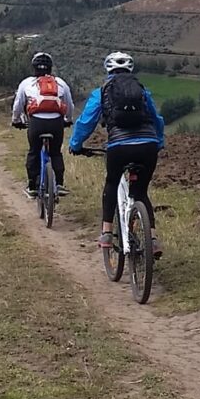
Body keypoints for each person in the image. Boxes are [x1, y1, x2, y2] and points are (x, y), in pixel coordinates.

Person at [69, 51, 166, 257]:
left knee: (112, 183)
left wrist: (76, 145)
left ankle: (106, 232)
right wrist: (159, 142)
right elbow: (157, 119)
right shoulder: (142, 90)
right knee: (140, 192)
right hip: (147, 145)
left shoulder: (102, 91)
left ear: (108, 70)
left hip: (119, 146)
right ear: (130, 70)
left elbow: (86, 122)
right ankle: (153, 240)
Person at [11, 51, 74, 199]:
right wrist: (68, 119)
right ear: (50, 68)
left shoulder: (26, 83)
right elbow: (69, 104)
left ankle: (32, 186)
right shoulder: (60, 82)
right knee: (56, 152)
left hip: (36, 123)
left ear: (34, 67)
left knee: (34, 151)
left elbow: (18, 105)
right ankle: (59, 184)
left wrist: (16, 120)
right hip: (56, 123)